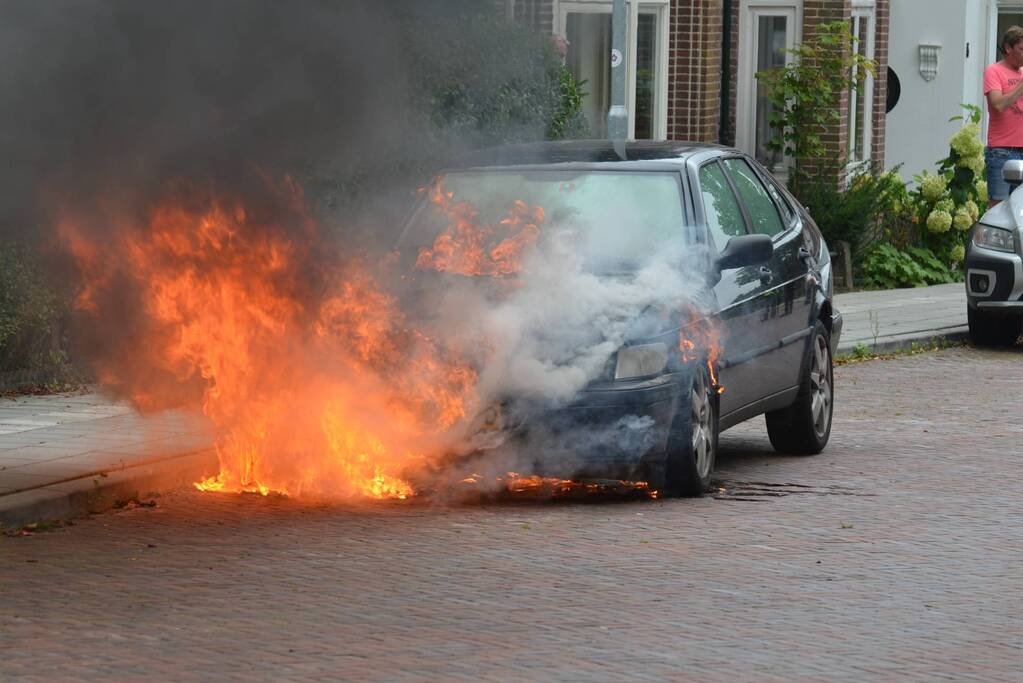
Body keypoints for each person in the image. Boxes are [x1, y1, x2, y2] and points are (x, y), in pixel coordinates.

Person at [984, 26, 1023, 207]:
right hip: (1001, 151)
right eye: (1022, 49)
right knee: (998, 208)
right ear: (1008, 48)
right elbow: (998, 104)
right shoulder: (994, 71)